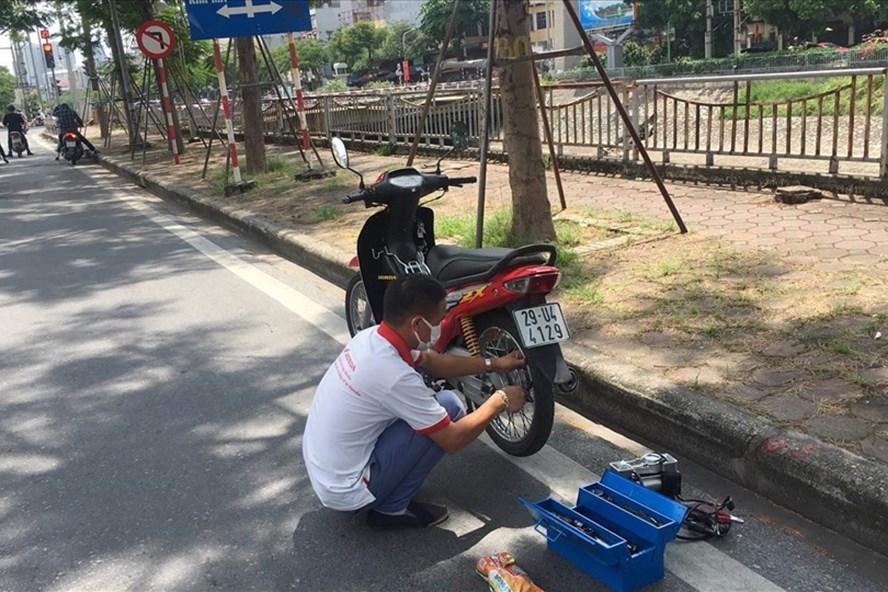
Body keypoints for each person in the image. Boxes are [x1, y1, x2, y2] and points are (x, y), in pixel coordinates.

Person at [303, 275, 528, 529]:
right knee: (449, 410)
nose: (442, 324)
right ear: (417, 323)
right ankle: (390, 510)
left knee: (439, 407)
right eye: (439, 318)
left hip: (325, 470)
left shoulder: (373, 338)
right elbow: (452, 439)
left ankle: (386, 486)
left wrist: (493, 364)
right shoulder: (393, 375)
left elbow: (432, 362)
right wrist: (501, 399)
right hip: (347, 490)